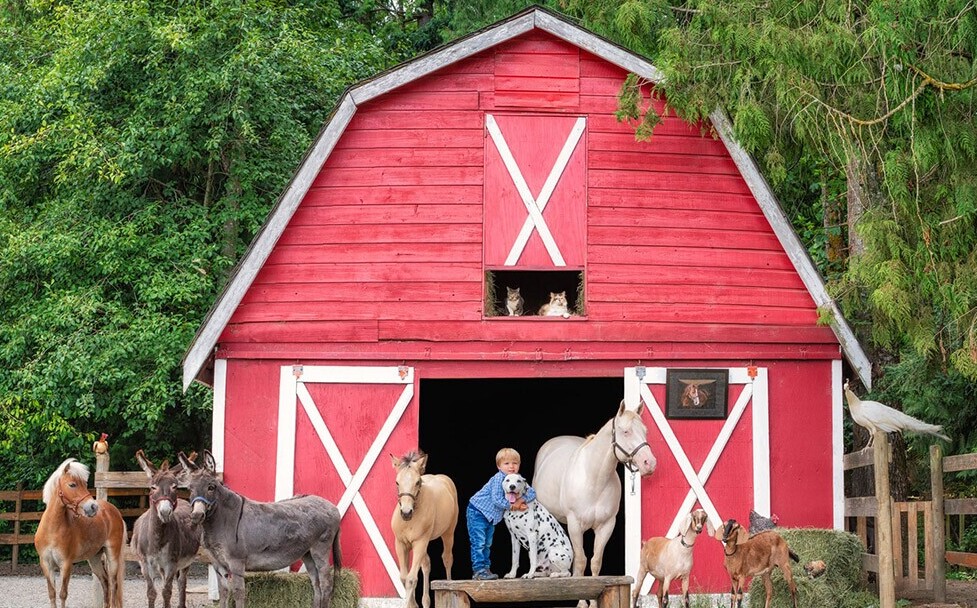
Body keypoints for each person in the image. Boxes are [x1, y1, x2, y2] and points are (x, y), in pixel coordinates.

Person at [466, 447, 537, 580]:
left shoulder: (518, 479)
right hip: (478, 512)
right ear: (499, 466)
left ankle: (485, 568)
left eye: (515, 463)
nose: (511, 466)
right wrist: (514, 506)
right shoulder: (499, 478)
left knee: (487, 543)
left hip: (491, 517)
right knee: (479, 542)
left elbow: (532, 492)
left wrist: (521, 499)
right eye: (506, 463)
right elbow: (497, 500)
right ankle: (478, 570)